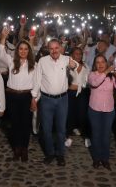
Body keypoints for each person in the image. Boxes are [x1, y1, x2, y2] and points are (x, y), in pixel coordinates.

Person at [31, 38, 77, 166]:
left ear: (61, 48)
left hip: (62, 99)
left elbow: (75, 65)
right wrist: (34, 98)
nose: (54, 51)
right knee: (46, 129)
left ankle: (60, 154)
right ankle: (50, 153)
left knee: (61, 129)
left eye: (56, 48)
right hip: (46, 100)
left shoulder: (66, 59)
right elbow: (37, 80)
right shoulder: (42, 61)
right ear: (48, 49)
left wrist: (74, 66)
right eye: (51, 48)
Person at [0, 27, 35, 162]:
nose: (23, 51)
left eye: (26, 49)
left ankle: (24, 149)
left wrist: (34, 99)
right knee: (14, 124)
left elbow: (36, 84)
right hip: (12, 96)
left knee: (26, 124)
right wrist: (3, 37)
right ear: (17, 50)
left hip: (27, 97)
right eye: (21, 49)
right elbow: (1, 53)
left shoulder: (33, 64)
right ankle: (16, 149)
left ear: (29, 50)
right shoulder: (11, 61)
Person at [88, 54, 116, 170]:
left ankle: (105, 159)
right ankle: (96, 159)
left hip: (109, 110)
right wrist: (106, 71)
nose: (100, 64)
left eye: (103, 62)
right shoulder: (92, 75)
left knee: (106, 136)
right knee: (96, 135)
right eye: (98, 62)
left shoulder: (111, 76)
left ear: (106, 63)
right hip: (95, 110)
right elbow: (95, 83)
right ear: (95, 64)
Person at [65, 47, 90, 147]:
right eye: (76, 53)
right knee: (69, 115)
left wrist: (79, 86)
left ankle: (86, 136)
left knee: (83, 115)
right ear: (72, 55)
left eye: (80, 53)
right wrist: (76, 86)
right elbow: (66, 82)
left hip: (82, 93)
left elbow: (87, 82)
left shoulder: (86, 66)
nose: (78, 55)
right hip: (70, 93)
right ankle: (68, 136)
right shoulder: (68, 65)